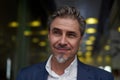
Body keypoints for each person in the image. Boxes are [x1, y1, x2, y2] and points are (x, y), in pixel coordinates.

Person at [16, 6, 114, 80]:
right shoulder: (25, 75)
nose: (62, 42)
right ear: (49, 35)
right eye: (56, 33)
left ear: (80, 40)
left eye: (71, 35)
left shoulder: (103, 78)